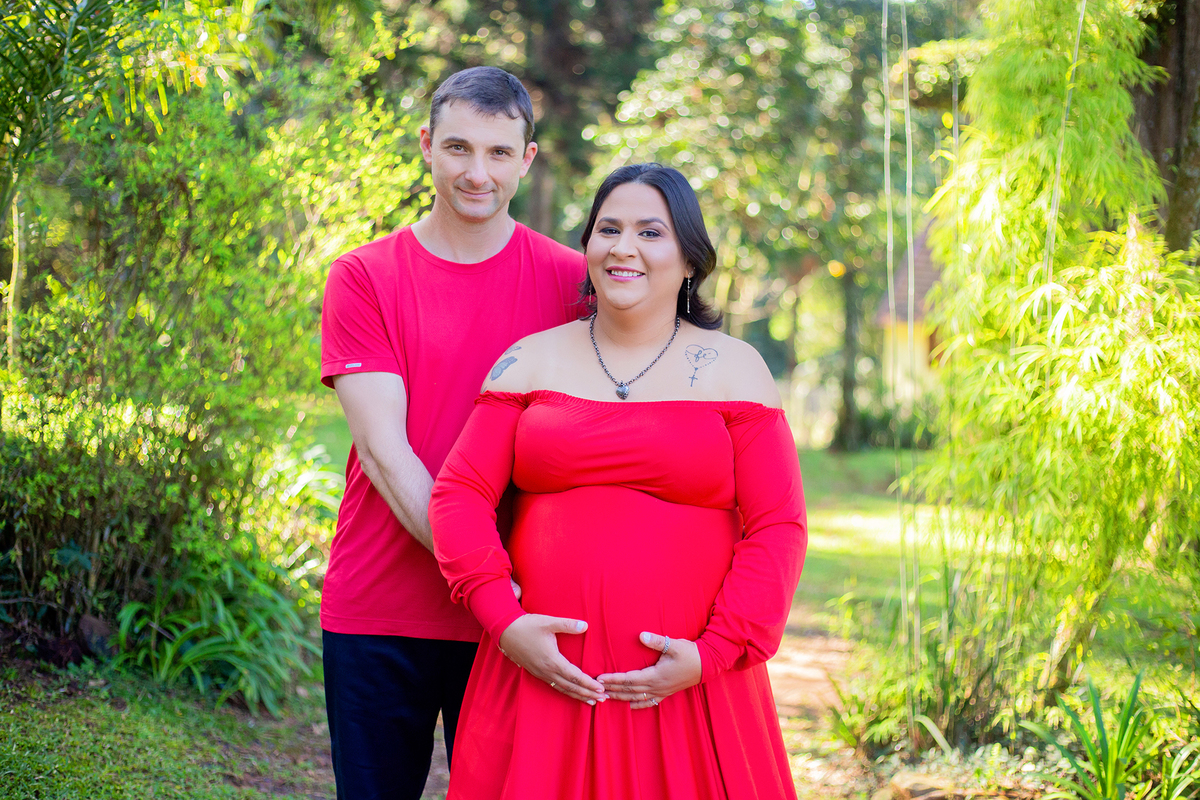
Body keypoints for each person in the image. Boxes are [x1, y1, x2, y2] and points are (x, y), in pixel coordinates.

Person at [429, 163, 808, 800]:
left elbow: (779, 526)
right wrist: (504, 621)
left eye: (650, 232)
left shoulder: (734, 369)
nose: (623, 247)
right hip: (545, 672)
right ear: (587, 247)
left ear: (690, 259)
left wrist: (712, 654)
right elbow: (459, 495)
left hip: (687, 683)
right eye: (608, 229)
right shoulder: (530, 360)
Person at [318, 66, 586, 799]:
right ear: (426, 146)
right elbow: (384, 453)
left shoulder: (574, 285)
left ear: (527, 160)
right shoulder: (364, 276)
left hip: (523, 617)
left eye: (499, 153)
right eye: (459, 148)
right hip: (381, 610)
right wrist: (486, 581)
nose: (477, 173)